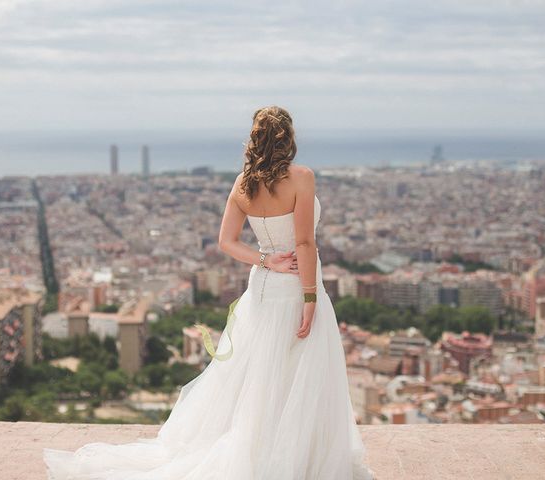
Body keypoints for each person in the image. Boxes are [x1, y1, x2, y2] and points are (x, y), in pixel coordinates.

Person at [43, 105, 374, 479]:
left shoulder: (242, 184)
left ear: (254, 139)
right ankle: (298, 462)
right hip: (296, 287)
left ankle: (262, 455)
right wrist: (311, 298)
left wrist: (265, 260)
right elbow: (304, 242)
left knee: (260, 378)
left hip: (262, 288)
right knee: (299, 377)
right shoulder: (302, 177)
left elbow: (226, 242)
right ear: (289, 138)